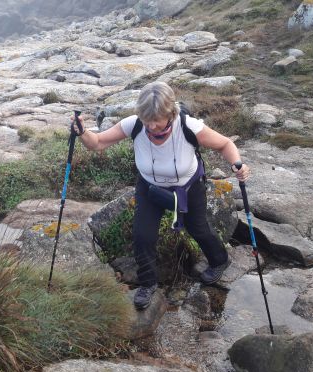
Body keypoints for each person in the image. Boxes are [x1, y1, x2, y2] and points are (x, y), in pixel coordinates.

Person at [73, 81, 250, 310]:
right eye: (147, 119)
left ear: (170, 113)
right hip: (150, 187)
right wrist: (82, 132)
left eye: (157, 119)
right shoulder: (134, 125)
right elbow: (96, 143)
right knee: (142, 236)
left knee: (198, 228)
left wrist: (237, 164)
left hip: (188, 186)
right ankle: (148, 283)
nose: (151, 125)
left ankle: (219, 260)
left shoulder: (188, 126)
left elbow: (225, 144)